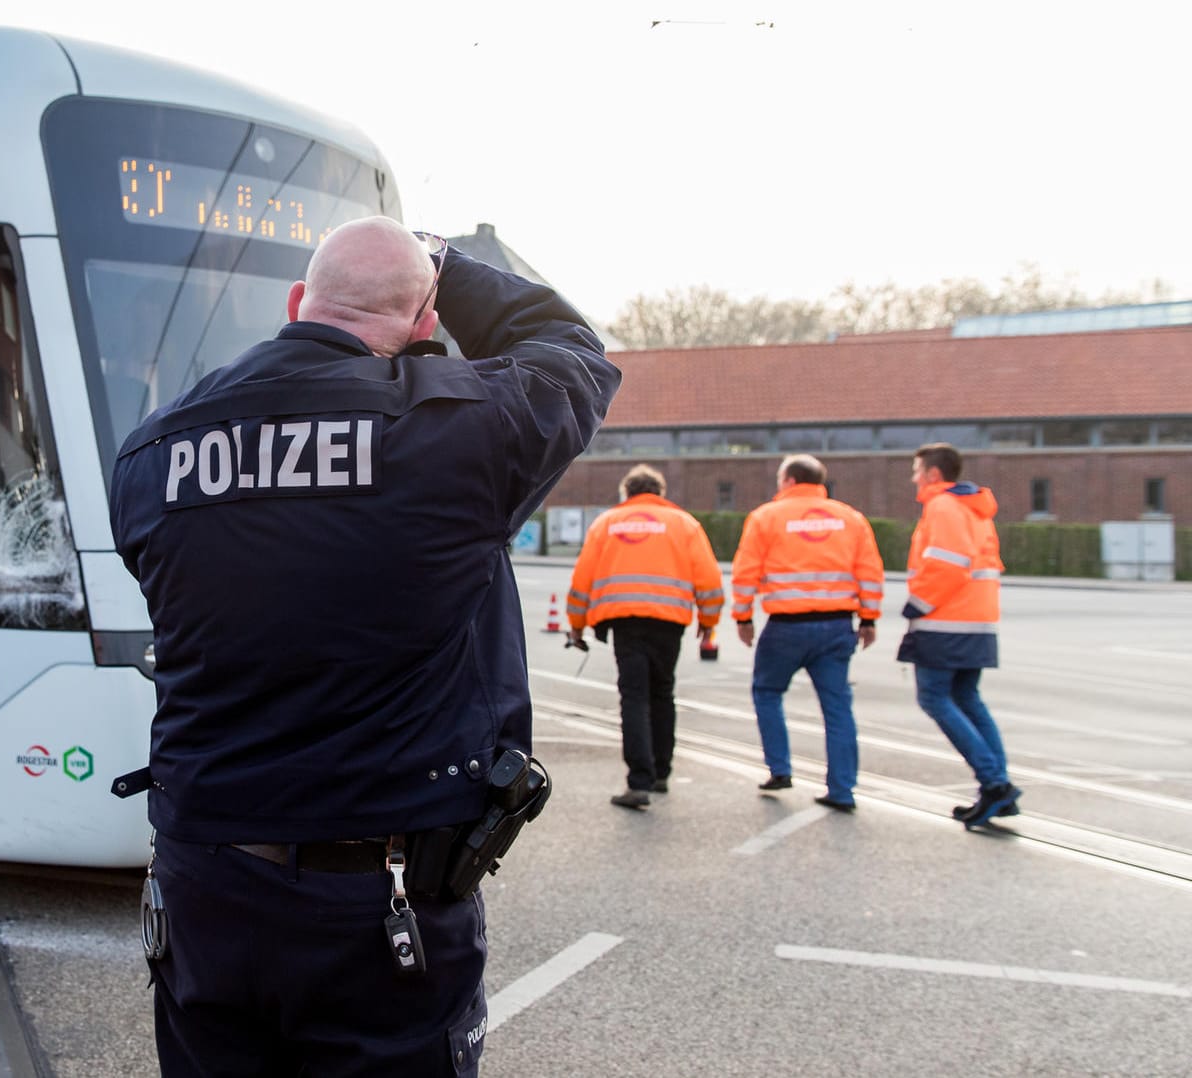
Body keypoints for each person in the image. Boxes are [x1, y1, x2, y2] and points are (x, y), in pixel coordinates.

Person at [109, 216, 618, 1076]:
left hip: (207, 885)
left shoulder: (153, 450)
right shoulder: (459, 437)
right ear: (425, 326)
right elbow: (570, 349)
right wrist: (449, 266)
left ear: (298, 302)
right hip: (377, 907)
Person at [730, 454, 883, 812]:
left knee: (767, 691)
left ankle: (780, 769)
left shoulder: (766, 517)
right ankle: (842, 790)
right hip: (837, 627)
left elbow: (746, 570)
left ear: (789, 481)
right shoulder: (851, 519)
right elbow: (870, 571)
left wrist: (743, 616)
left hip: (786, 627)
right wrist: (869, 618)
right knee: (837, 708)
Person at [565, 464, 723, 809]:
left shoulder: (606, 524)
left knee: (633, 697)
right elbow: (709, 578)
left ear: (627, 493)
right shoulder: (684, 524)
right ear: (660, 493)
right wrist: (708, 621)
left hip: (624, 622)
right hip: (669, 622)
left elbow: (582, 579)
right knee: (663, 693)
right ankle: (662, 772)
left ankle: (639, 781)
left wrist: (576, 624)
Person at [899, 443, 1021, 828]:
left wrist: (916, 605)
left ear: (934, 474)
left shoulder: (941, 506)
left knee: (934, 698)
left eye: (917, 471)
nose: (915, 478)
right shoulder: (974, 509)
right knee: (967, 699)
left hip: (944, 622)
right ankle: (997, 788)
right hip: (977, 620)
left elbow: (949, 565)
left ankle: (995, 784)